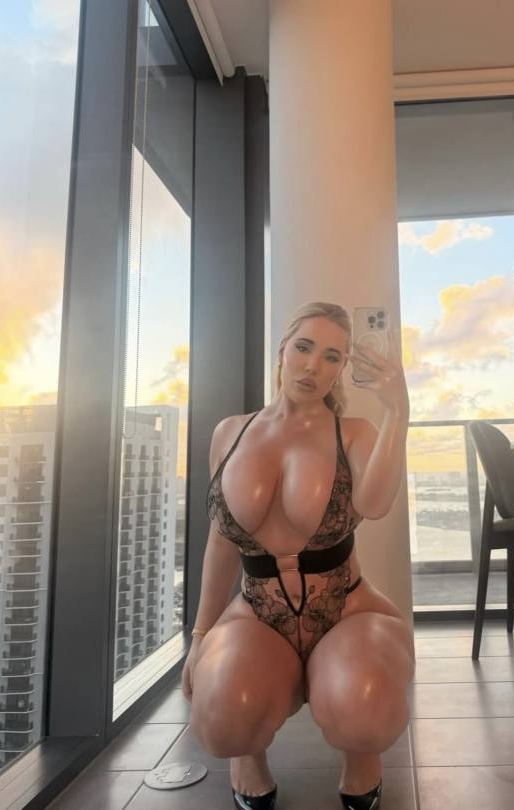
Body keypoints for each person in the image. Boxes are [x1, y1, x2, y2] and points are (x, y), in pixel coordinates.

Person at [181, 301, 415, 810]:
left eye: (332, 357)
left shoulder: (354, 432)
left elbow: (375, 505)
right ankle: (249, 758)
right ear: (283, 349)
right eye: (304, 348)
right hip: (256, 613)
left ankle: (360, 756)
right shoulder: (229, 432)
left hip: (346, 609)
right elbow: (221, 540)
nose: (313, 366)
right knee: (222, 720)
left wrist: (398, 411)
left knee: (365, 710)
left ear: (342, 368)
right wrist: (200, 636)